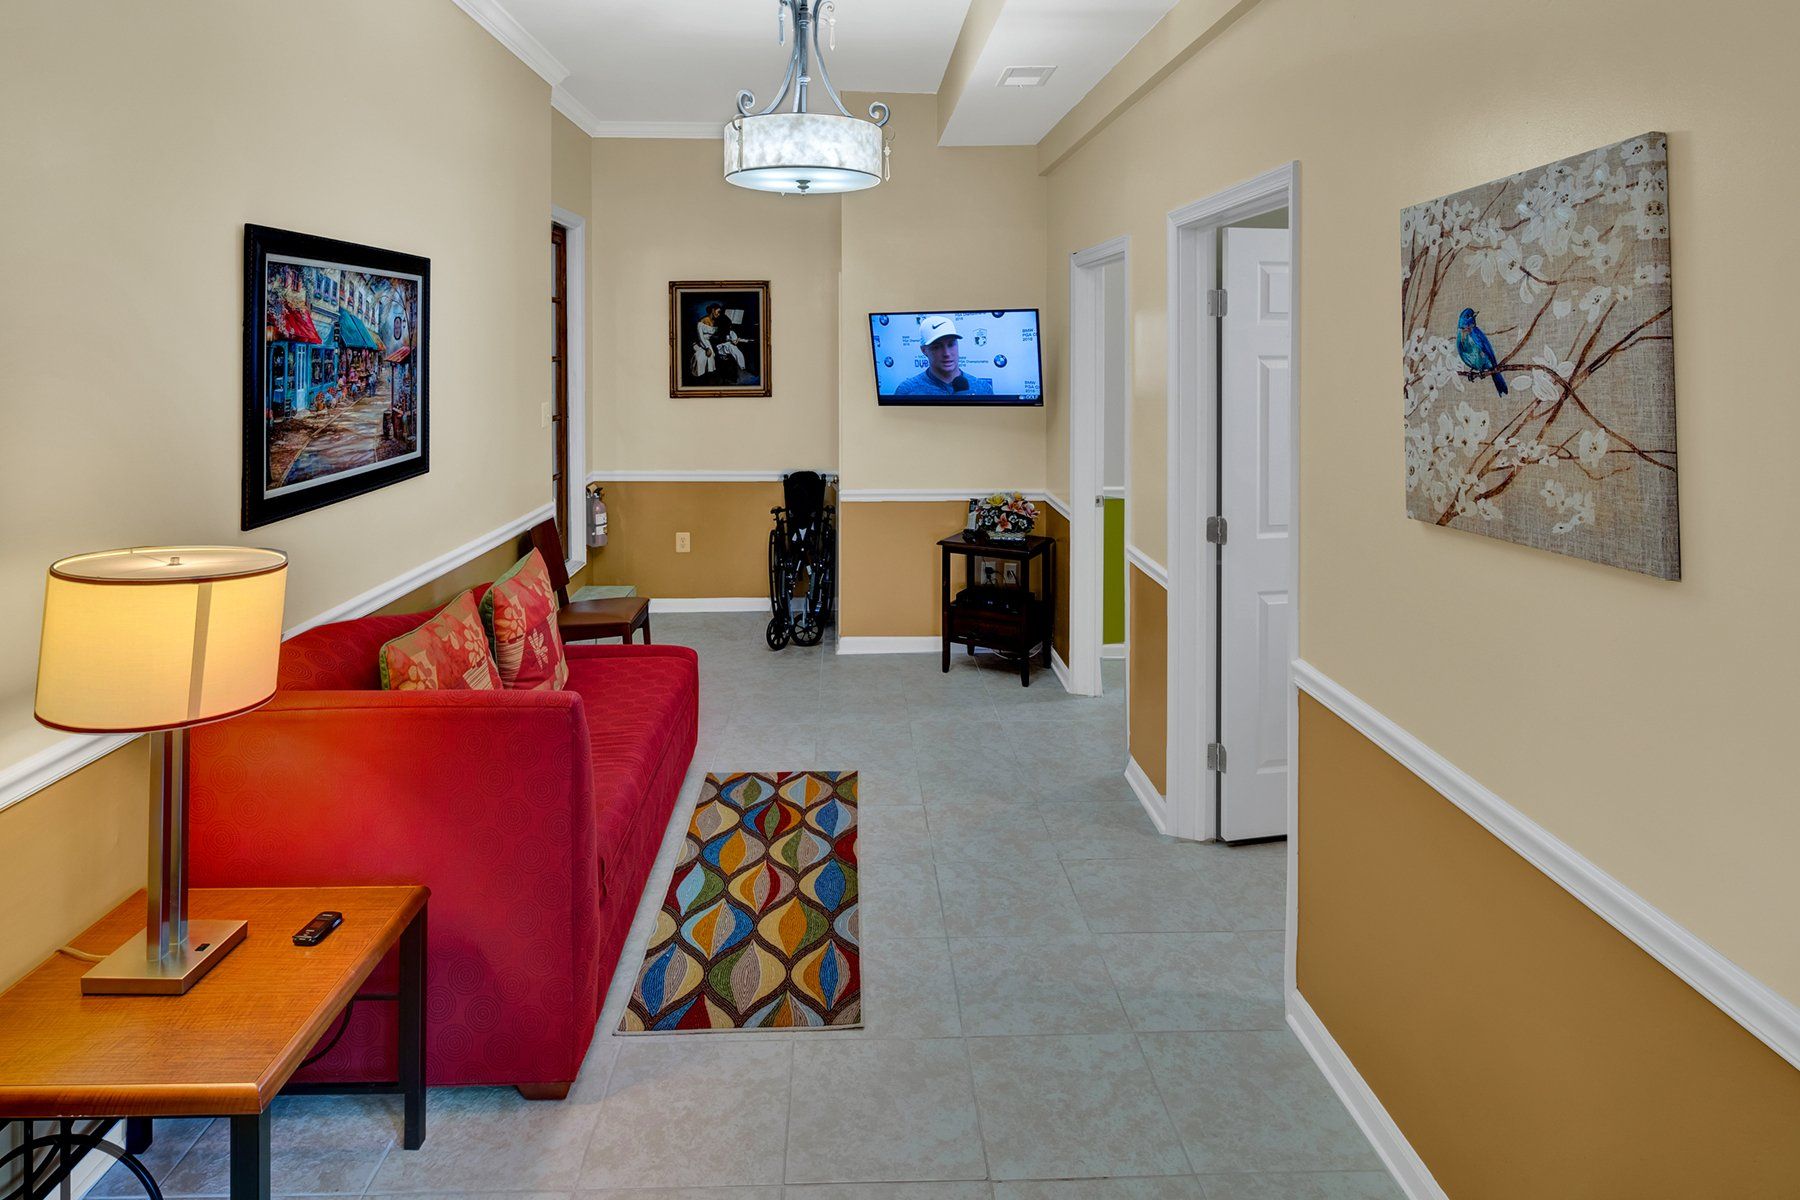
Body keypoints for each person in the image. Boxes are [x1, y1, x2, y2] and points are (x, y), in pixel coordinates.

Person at [893, 315, 992, 397]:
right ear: (924, 351)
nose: (946, 353)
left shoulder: (983, 389)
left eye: (951, 344)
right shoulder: (906, 391)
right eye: (937, 347)